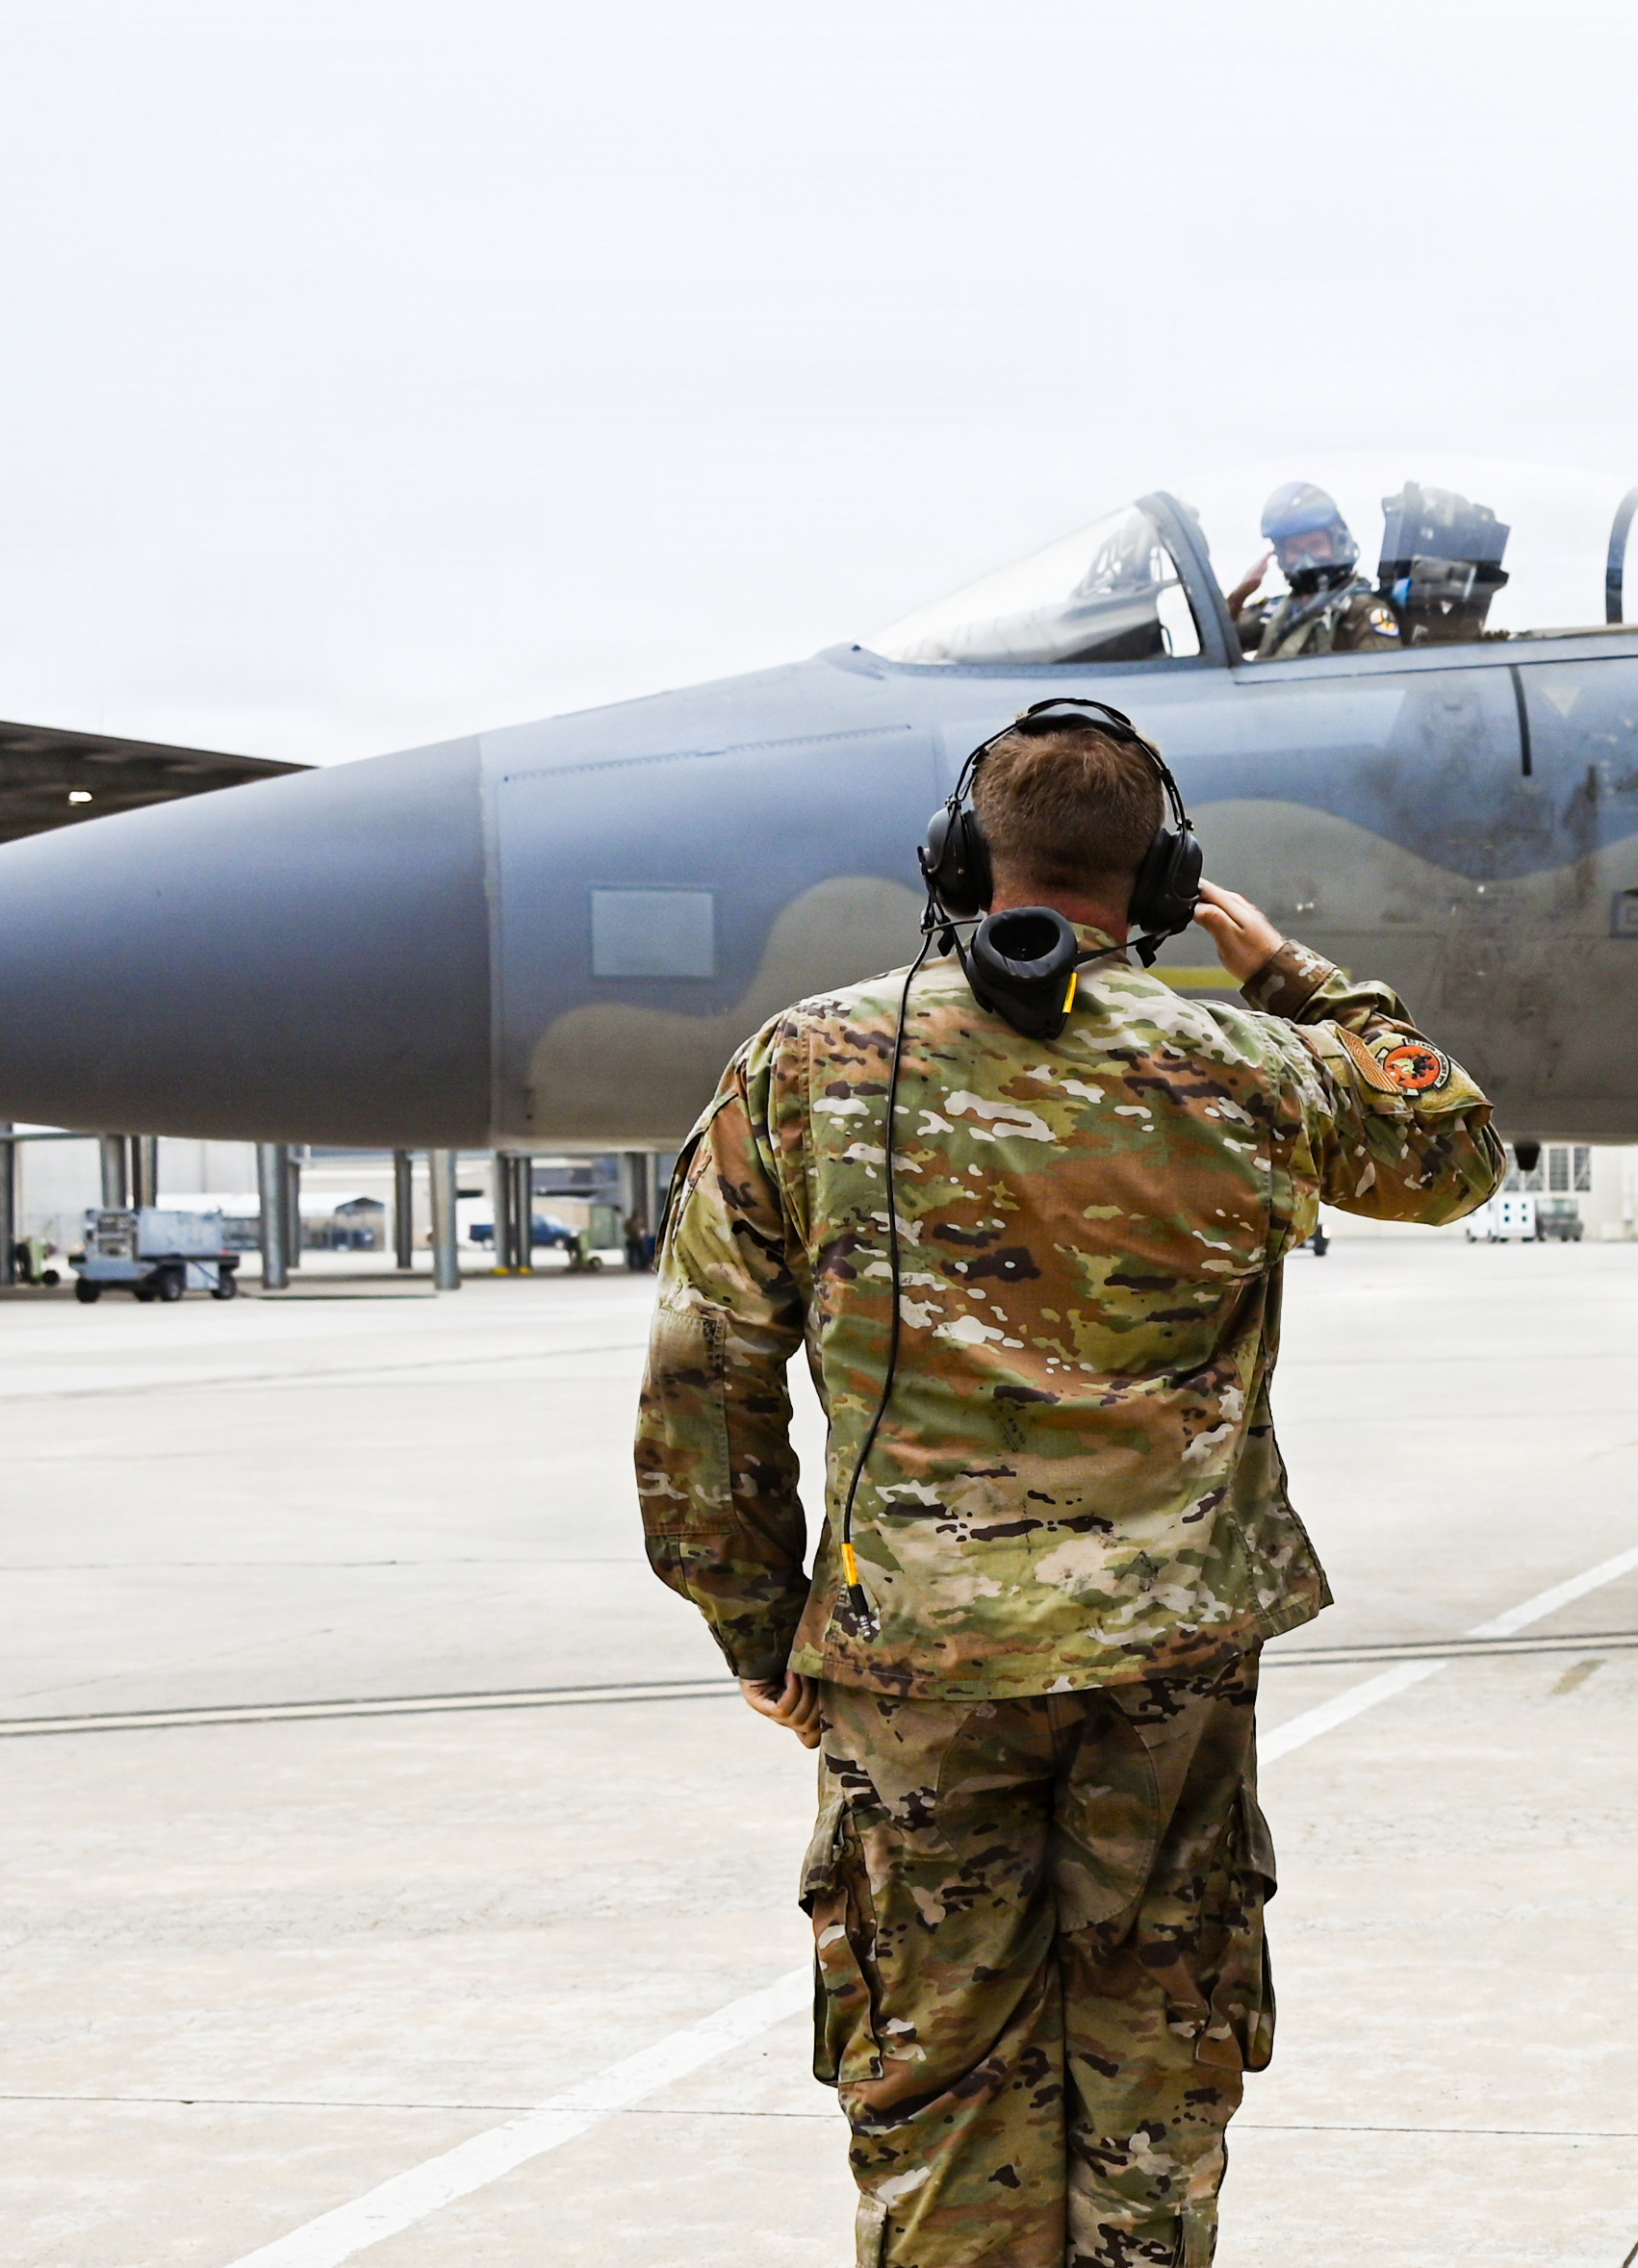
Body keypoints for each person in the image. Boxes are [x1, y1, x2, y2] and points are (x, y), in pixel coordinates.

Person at [636, 701, 1504, 2267]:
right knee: (1150, 2095)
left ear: (960, 861)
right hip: (1164, 1682)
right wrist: (1304, 979)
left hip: (913, 1671)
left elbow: (704, 1377)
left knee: (941, 2099)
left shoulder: (808, 1062)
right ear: (1160, 885)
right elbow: (1450, 1145)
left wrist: (759, 1628)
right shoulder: (1249, 1063)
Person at [1222, 481, 1399, 659]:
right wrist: (1241, 593)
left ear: (1338, 544)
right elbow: (1217, 640)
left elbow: (1383, 678)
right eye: (1295, 550)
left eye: (1315, 545)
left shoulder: (1362, 613)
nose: (1306, 559)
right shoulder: (1280, 611)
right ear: (1281, 555)